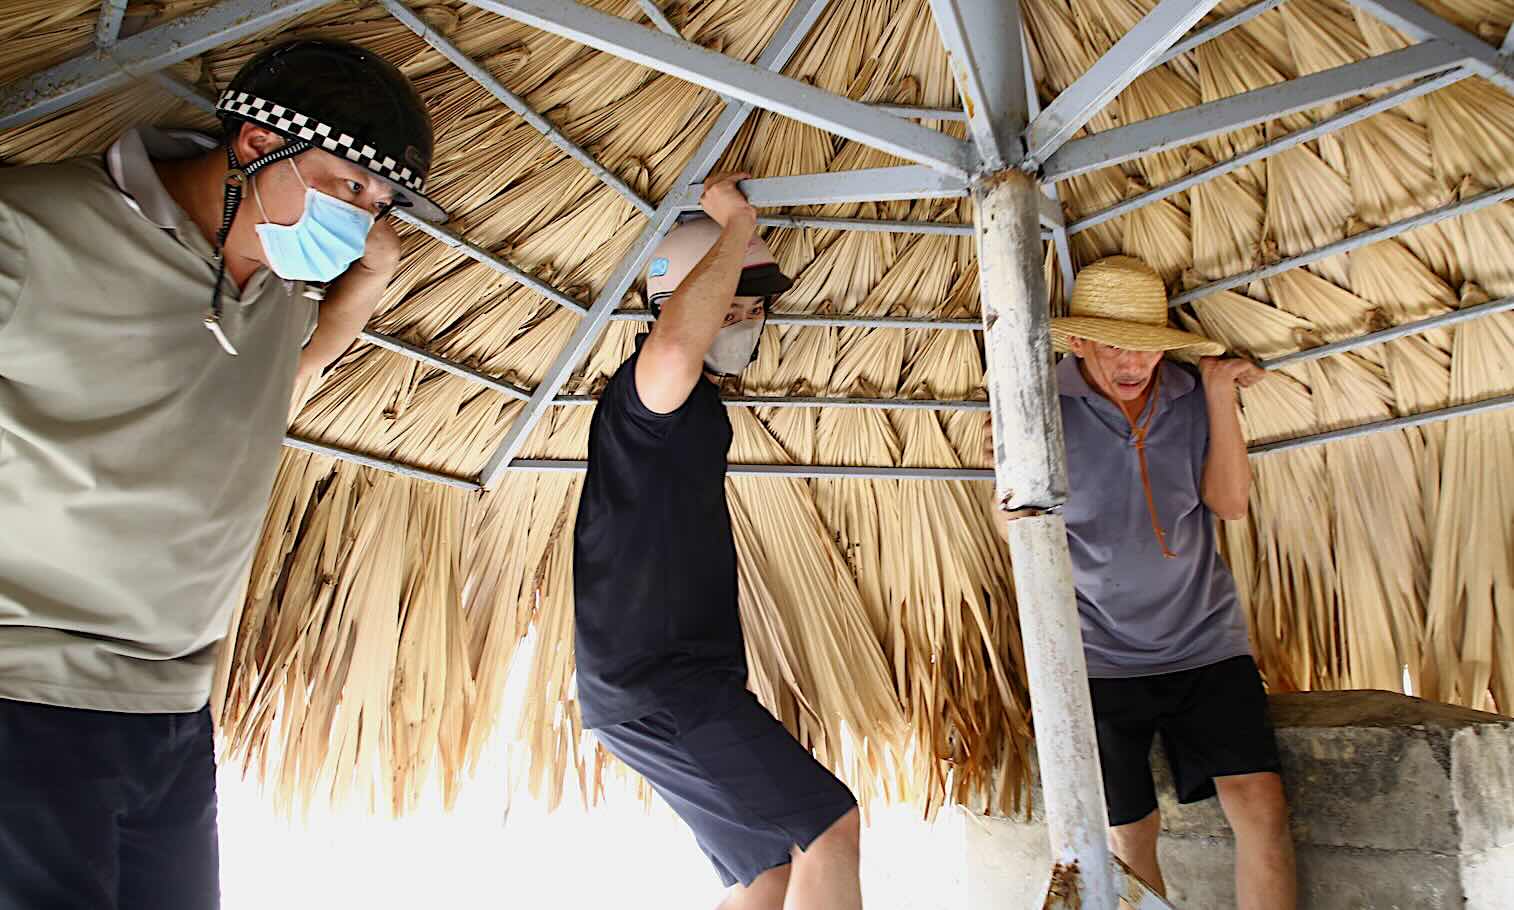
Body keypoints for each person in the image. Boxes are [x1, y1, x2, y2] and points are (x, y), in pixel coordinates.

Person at [0, 39, 444, 909]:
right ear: (251, 144)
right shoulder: (32, 228)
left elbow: (279, 384)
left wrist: (363, 289)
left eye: (382, 201)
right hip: (26, 695)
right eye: (350, 185)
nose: (364, 217)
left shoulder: (277, 297)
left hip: (170, 712)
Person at [573, 175, 864, 910]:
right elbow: (674, 344)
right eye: (727, 304)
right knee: (830, 826)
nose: (742, 320)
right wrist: (734, 225)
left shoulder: (692, 406)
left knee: (767, 870)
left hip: (653, 684)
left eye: (751, 309)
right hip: (662, 679)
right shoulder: (649, 392)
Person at [988, 256, 1296, 909]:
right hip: (1096, 659)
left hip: (1207, 643)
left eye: (1149, 351)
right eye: (1117, 349)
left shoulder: (1188, 396)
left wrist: (1217, 396)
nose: (1135, 365)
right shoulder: (1040, 410)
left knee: (1263, 813)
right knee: (1131, 839)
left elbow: (1231, 504)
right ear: (1079, 343)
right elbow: (1015, 523)